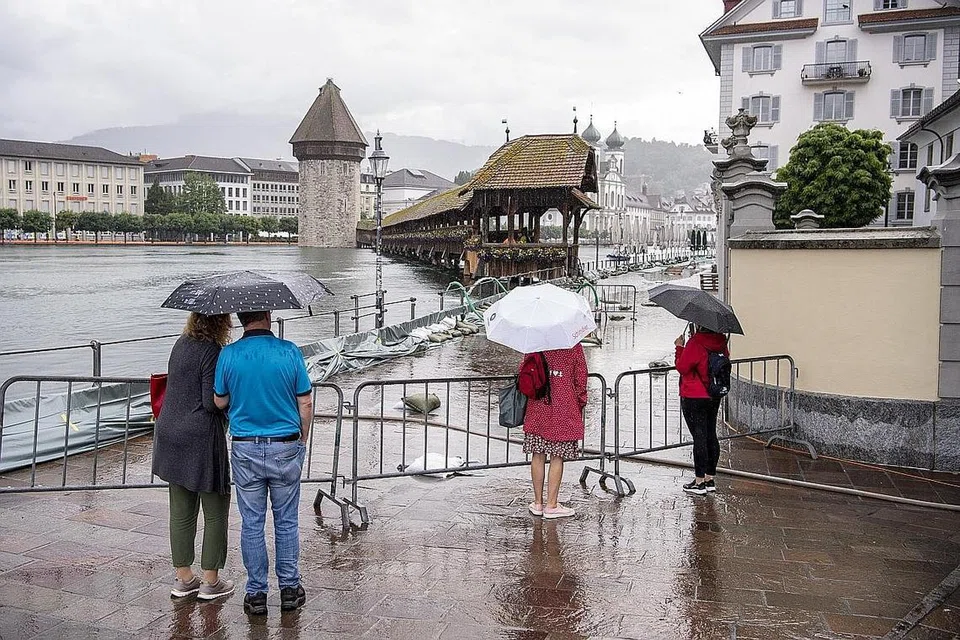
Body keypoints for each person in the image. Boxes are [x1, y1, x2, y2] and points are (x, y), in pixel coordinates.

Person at [213, 310, 313, 616]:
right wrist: (302, 440)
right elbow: (305, 402)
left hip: (245, 449)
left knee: (252, 523)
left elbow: (219, 401)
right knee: (286, 520)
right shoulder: (289, 352)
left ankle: (256, 594)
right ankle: (289, 590)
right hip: (285, 444)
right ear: (268, 315)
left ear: (241, 318)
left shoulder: (228, 355)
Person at [153, 312, 234, 600]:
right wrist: (230, 396)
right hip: (199, 437)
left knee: (181, 510)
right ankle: (211, 582)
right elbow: (210, 403)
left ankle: (184, 578)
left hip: (169, 433)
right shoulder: (211, 350)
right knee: (215, 510)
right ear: (220, 322)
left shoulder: (180, 343)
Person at [522, 344, 588, 519]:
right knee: (557, 456)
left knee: (538, 454)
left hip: (538, 407)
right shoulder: (573, 346)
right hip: (564, 407)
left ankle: (537, 503)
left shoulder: (535, 342)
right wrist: (580, 402)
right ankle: (551, 505)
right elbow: (580, 379)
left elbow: (525, 370)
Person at [675, 324, 729, 495]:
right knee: (710, 434)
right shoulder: (721, 342)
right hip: (714, 394)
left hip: (694, 396)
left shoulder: (696, 342)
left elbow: (682, 367)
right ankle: (709, 479)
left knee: (699, 437)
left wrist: (679, 348)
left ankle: (699, 483)